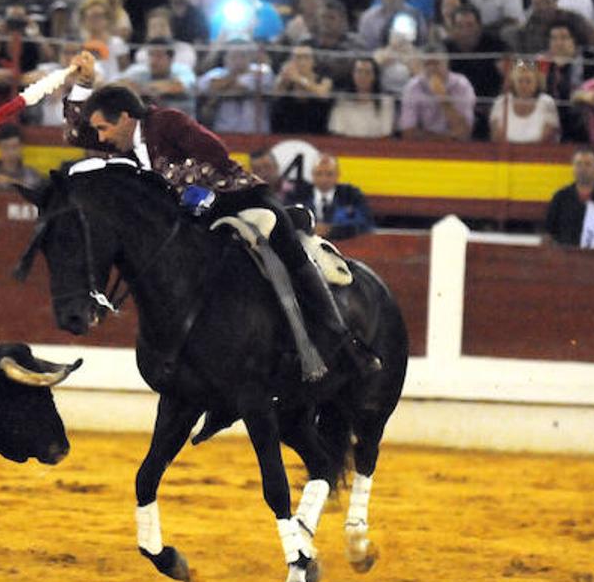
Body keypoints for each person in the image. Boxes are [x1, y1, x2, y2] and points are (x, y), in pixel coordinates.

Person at [65, 56, 380, 380]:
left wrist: (173, 181)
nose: (100, 138)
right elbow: (76, 134)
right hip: (190, 214)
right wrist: (83, 84)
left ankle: (344, 341)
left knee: (288, 249)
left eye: (104, 128)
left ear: (126, 118)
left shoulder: (166, 121)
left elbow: (214, 150)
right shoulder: (121, 141)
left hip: (237, 197)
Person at [543, 146, 594, 249]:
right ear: (572, 167)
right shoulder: (560, 197)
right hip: (566, 260)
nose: (582, 169)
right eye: (578, 164)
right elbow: (548, 234)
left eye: (588, 164)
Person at [490, 60, 561, 143]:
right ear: (514, 82)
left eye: (528, 81)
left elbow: (549, 137)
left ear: (537, 83)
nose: (524, 85)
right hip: (506, 154)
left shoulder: (547, 102)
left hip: (540, 153)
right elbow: (495, 136)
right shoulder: (501, 102)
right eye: (520, 81)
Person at [308, 154, 374, 240]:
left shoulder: (351, 195)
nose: (323, 179)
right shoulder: (297, 195)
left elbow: (366, 224)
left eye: (329, 174)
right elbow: (290, 224)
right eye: (319, 174)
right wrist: (310, 229)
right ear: (312, 175)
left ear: (337, 175)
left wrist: (333, 230)